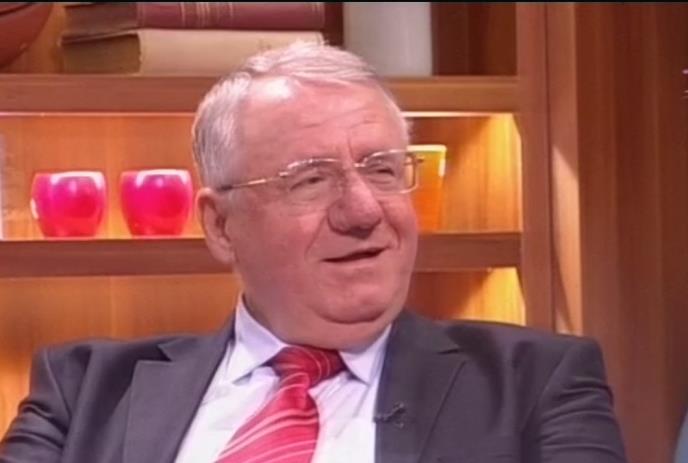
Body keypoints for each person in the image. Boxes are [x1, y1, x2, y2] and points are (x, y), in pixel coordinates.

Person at [0, 42, 626, 463]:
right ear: (221, 226)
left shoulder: (535, 384)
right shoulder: (85, 390)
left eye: (382, 170)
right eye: (311, 180)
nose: (364, 211)